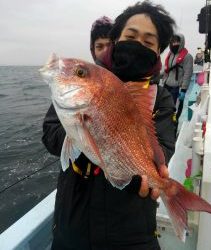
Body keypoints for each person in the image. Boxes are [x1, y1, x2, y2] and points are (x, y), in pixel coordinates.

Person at [42, 1, 176, 249]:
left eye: (148, 42)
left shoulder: (162, 97)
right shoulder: (87, 82)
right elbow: (50, 136)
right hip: (74, 222)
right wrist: (83, 136)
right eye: (131, 35)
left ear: (159, 51)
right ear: (116, 39)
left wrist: (142, 173)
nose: (137, 45)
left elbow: (164, 148)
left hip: (132, 230)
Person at [162, 34, 193, 108]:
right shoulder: (170, 54)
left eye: (177, 42)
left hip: (176, 88)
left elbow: (187, 74)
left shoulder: (187, 56)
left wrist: (183, 90)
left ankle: (173, 119)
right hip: (166, 85)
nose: (175, 44)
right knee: (163, 106)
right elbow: (166, 69)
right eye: (173, 42)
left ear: (181, 42)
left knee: (172, 108)